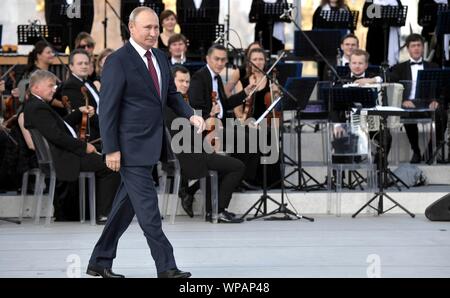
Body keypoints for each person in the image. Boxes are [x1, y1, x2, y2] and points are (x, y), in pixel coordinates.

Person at [87, 7, 205, 279]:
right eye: (147, 28)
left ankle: (99, 260)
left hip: (151, 144)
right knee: (149, 211)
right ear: (132, 28)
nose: (153, 32)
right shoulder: (118, 61)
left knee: (124, 208)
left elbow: (172, 95)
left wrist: (191, 117)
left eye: (155, 27)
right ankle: (166, 266)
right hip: (128, 148)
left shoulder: (161, 57)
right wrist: (112, 148)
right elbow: (108, 109)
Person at [23, 70, 120, 224]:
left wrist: (78, 113)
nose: (54, 89)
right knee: (110, 166)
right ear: (35, 88)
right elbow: (57, 136)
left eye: (54, 86)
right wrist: (83, 147)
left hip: (62, 156)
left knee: (107, 162)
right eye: (50, 86)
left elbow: (60, 126)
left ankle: (99, 212)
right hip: (64, 159)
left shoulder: (36, 105)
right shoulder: (37, 107)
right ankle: (104, 214)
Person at [165, 65, 245, 223]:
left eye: (187, 82)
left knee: (221, 165)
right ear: (171, 82)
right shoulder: (175, 105)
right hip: (190, 156)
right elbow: (184, 134)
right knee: (238, 166)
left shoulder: (179, 103)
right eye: (181, 81)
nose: (185, 85)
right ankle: (219, 210)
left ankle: (211, 210)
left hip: (188, 154)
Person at [389, 33, 447, 163]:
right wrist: (403, 100)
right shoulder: (399, 68)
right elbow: (394, 87)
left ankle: (431, 151)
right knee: (407, 113)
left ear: (423, 48)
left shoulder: (433, 67)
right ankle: (416, 150)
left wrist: (435, 101)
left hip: (427, 103)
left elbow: (440, 89)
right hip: (408, 103)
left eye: (419, 45)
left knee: (442, 114)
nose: (416, 48)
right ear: (408, 49)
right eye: (413, 46)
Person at [61, 49, 101, 147]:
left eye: (86, 63)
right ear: (71, 66)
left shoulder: (89, 83)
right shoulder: (70, 85)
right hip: (91, 135)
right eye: (80, 63)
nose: (84, 66)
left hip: (99, 128)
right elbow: (85, 113)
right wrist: (105, 126)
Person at [362, 0, 403, 66]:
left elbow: (400, 20)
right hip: (375, 37)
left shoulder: (396, 1)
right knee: (375, 60)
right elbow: (365, 21)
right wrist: (378, 12)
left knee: (391, 61)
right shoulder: (371, 1)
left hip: (391, 34)